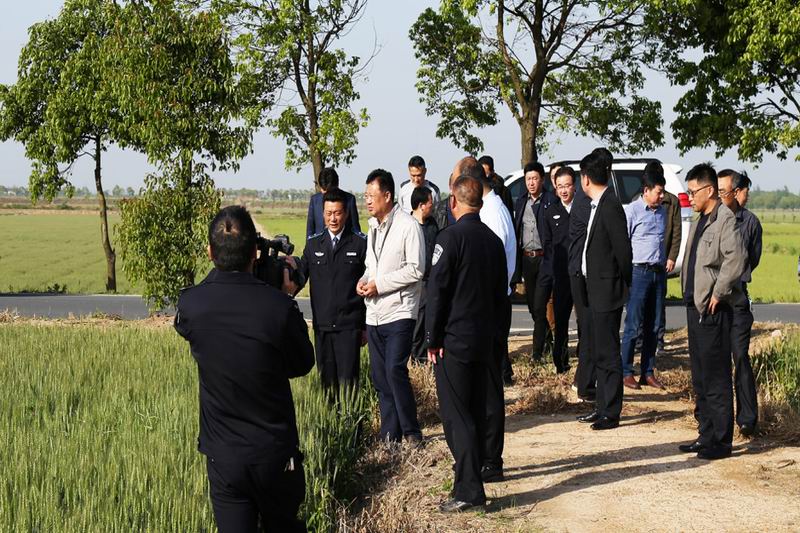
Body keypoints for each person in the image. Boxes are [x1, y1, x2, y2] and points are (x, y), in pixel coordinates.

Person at [175, 206, 314, 532]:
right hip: (275, 456)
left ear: (210, 252)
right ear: (255, 252)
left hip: (224, 459)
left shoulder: (191, 305)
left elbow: (195, 313)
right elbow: (302, 363)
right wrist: (285, 299)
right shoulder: (278, 308)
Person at [425, 175, 507, 513]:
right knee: (475, 410)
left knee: (457, 416)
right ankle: (471, 479)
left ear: (454, 202)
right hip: (485, 340)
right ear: (480, 203)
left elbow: (437, 292)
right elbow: (501, 296)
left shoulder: (450, 238)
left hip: (454, 342)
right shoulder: (493, 241)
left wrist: (432, 338)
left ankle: (469, 490)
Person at [679, 163, 747, 460]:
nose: (689, 197)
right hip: (696, 308)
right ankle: (705, 434)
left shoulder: (725, 220)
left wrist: (718, 293)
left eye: (693, 192)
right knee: (701, 377)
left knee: (716, 377)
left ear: (709, 190)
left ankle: (721, 441)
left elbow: (736, 260)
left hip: (713, 309)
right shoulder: (700, 220)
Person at [357, 169, 425, 443]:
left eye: (371, 195)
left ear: (387, 196)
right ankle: (390, 436)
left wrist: (380, 284)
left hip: (400, 311)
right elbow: (370, 266)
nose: (367, 201)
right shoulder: (373, 227)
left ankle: (412, 432)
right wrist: (364, 281)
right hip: (374, 313)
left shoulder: (408, 226)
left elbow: (416, 269)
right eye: (365, 196)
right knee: (380, 377)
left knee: (395, 370)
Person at [465, 156, 516, 481]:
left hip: (491, 308)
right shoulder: (490, 210)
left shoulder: (493, 214)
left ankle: (491, 459)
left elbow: (492, 270)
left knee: (490, 387)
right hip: (487, 306)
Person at [575, 150, 632, 430]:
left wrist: (621, 284)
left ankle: (611, 411)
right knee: (598, 351)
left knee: (608, 353)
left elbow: (623, 252)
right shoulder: (597, 204)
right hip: (594, 288)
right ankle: (601, 406)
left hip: (607, 290)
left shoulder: (610, 205)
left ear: (586, 178)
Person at [297, 188, 367, 392]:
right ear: (322, 214)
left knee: (349, 385)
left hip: (349, 327)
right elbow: (299, 277)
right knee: (327, 385)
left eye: (337, 213)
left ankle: (351, 415)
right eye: (329, 213)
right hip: (323, 326)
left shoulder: (360, 244)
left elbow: (368, 286)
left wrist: (365, 327)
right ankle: (330, 415)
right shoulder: (313, 245)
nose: (333, 219)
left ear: (346, 213)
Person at [717, 169, 762, 436]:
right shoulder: (712, 219)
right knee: (715, 359)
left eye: (724, 191)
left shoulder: (751, 222)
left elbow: (751, 261)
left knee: (740, 356)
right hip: (713, 300)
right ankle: (714, 416)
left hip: (737, 298)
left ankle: (747, 418)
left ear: (735, 192)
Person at [620, 163, 668, 390]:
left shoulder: (663, 212)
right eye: (659, 192)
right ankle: (626, 371)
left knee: (654, 325)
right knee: (633, 324)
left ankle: (647, 371)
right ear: (646, 190)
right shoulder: (632, 211)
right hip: (639, 272)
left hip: (658, 273)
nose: (662, 196)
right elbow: (624, 243)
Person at [513, 161, 556, 362]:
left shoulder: (550, 200)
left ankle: (538, 353)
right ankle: (548, 341)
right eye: (528, 179)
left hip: (544, 259)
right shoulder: (521, 202)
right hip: (527, 258)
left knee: (539, 307)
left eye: (535, 178)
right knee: (532, 306)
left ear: (542, 179)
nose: (531, 183)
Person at [538, 166, 577, 374]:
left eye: (567, 186)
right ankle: (561, 362)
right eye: (560, 186)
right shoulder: (550, 211)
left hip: (580, 274)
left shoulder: (583, 209)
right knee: (560, 321)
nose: (564, 190)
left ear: (574, 186)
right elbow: (547, 244)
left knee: (584, 321)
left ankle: (585, 358)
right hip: (561, 276)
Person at [411, 186, 440, 364]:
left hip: (431, 280)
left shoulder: (432, 224)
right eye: (430, 202)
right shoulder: (408, 225)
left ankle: (424, 357)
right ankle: (415, 358)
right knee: (417, 320)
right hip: (414, 282)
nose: (433, 205)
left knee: (428, 319)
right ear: (421, 205)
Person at [306, 167, 361, 238]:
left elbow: (356, 230)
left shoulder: (349, 199)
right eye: (324, 192)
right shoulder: (315, 200)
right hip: (319, 244)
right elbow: (310, 231)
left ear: (337, 185)